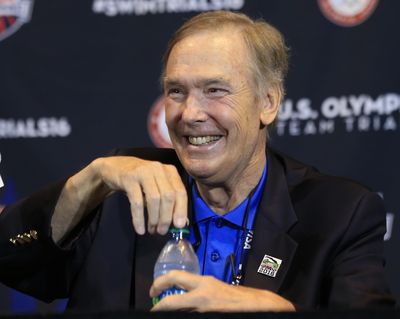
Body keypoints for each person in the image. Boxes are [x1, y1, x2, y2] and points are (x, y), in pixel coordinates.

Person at [0, 11, 395, 312]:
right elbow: (12, 259)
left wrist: (275, 309)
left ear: (268, 102)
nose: (190, 114)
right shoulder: (116, 196)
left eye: (214, 90)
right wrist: (91, 180)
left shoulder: (340, 214)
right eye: (176, 91)